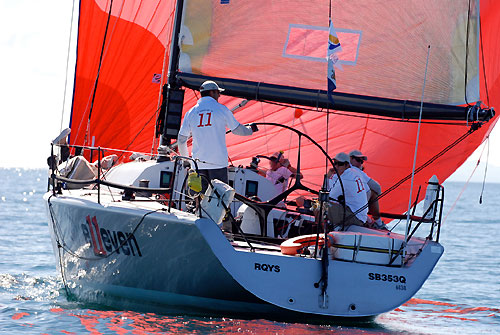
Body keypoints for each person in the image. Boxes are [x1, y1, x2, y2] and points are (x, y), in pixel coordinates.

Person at [177, 80, 257, 192]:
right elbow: (238, 130)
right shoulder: (222, 109)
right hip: (218, 164)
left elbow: (181, 140)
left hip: (198, 165)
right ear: (212, 92)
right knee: (219, 200)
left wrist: (188, 161)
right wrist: (251, 130)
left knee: (198, 199)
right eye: (218, 92)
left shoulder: (191, 112)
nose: (219, 95)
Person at [327, 152, 369, 228]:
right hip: (361, 216)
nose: (336, 166)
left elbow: (328, 197)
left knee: (320, 206)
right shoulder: (355, 172)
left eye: (340, 164)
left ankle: (322, 230)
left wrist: (327, 177)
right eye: (335, 163)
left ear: (347, 165)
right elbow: (368, 191)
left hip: (355, 218)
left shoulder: (345, 178)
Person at [348, 149, 384, 228]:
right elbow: (377, 187)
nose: (360, 163)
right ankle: (379, 223)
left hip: (342, 205)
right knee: (373, 193)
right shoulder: (356, 170)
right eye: (358, 160)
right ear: (350, 159)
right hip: (353, 207)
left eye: (362, 162)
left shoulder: (340, 170)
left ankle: (368, 219)